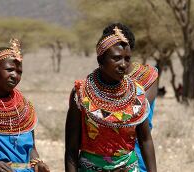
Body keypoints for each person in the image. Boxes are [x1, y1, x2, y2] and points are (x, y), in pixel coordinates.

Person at [65, 24, 157, 171]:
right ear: (100, 60)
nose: (123, 65)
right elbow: (71, 147)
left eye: (127, 59)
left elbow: (145, 140)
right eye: (117, 58)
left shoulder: (137, 93)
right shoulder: (81, 93)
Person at [0, 39, 50, 172]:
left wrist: (37, 162)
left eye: (19, 72)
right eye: (9, 70)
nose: (15, 76)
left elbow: (31, 147)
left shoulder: (25, 107)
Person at [103, 23, 158, 172]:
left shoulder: (148, 77)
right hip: (105, 156)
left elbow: (136, 109)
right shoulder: (101, 80)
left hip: (138, 151)